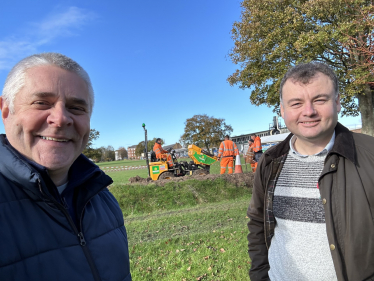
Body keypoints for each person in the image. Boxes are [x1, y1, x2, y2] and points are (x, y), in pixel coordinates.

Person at [0, 53, 131, 280]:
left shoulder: (103, 198)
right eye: (41, 103)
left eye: (76, 108)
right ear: (5, 110)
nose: (60, 119)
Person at [247, 62, 374, 280]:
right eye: (296, 103)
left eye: (320, 100)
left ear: (337, 102)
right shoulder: (270, 161)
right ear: (283, 110)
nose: (308, 111)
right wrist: (260, 274)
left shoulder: (370, 155)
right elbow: (258, 222)